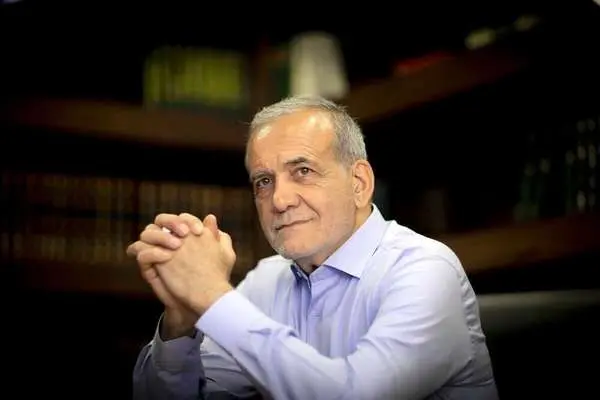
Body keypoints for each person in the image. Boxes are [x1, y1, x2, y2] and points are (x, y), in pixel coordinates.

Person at [126, 95, 498, 399]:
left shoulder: (426, 269)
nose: (279, 200)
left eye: (302, 171)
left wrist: (211, 296)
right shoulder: (266, 281)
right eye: (264, 181)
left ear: (359, 183)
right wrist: (183, 318)